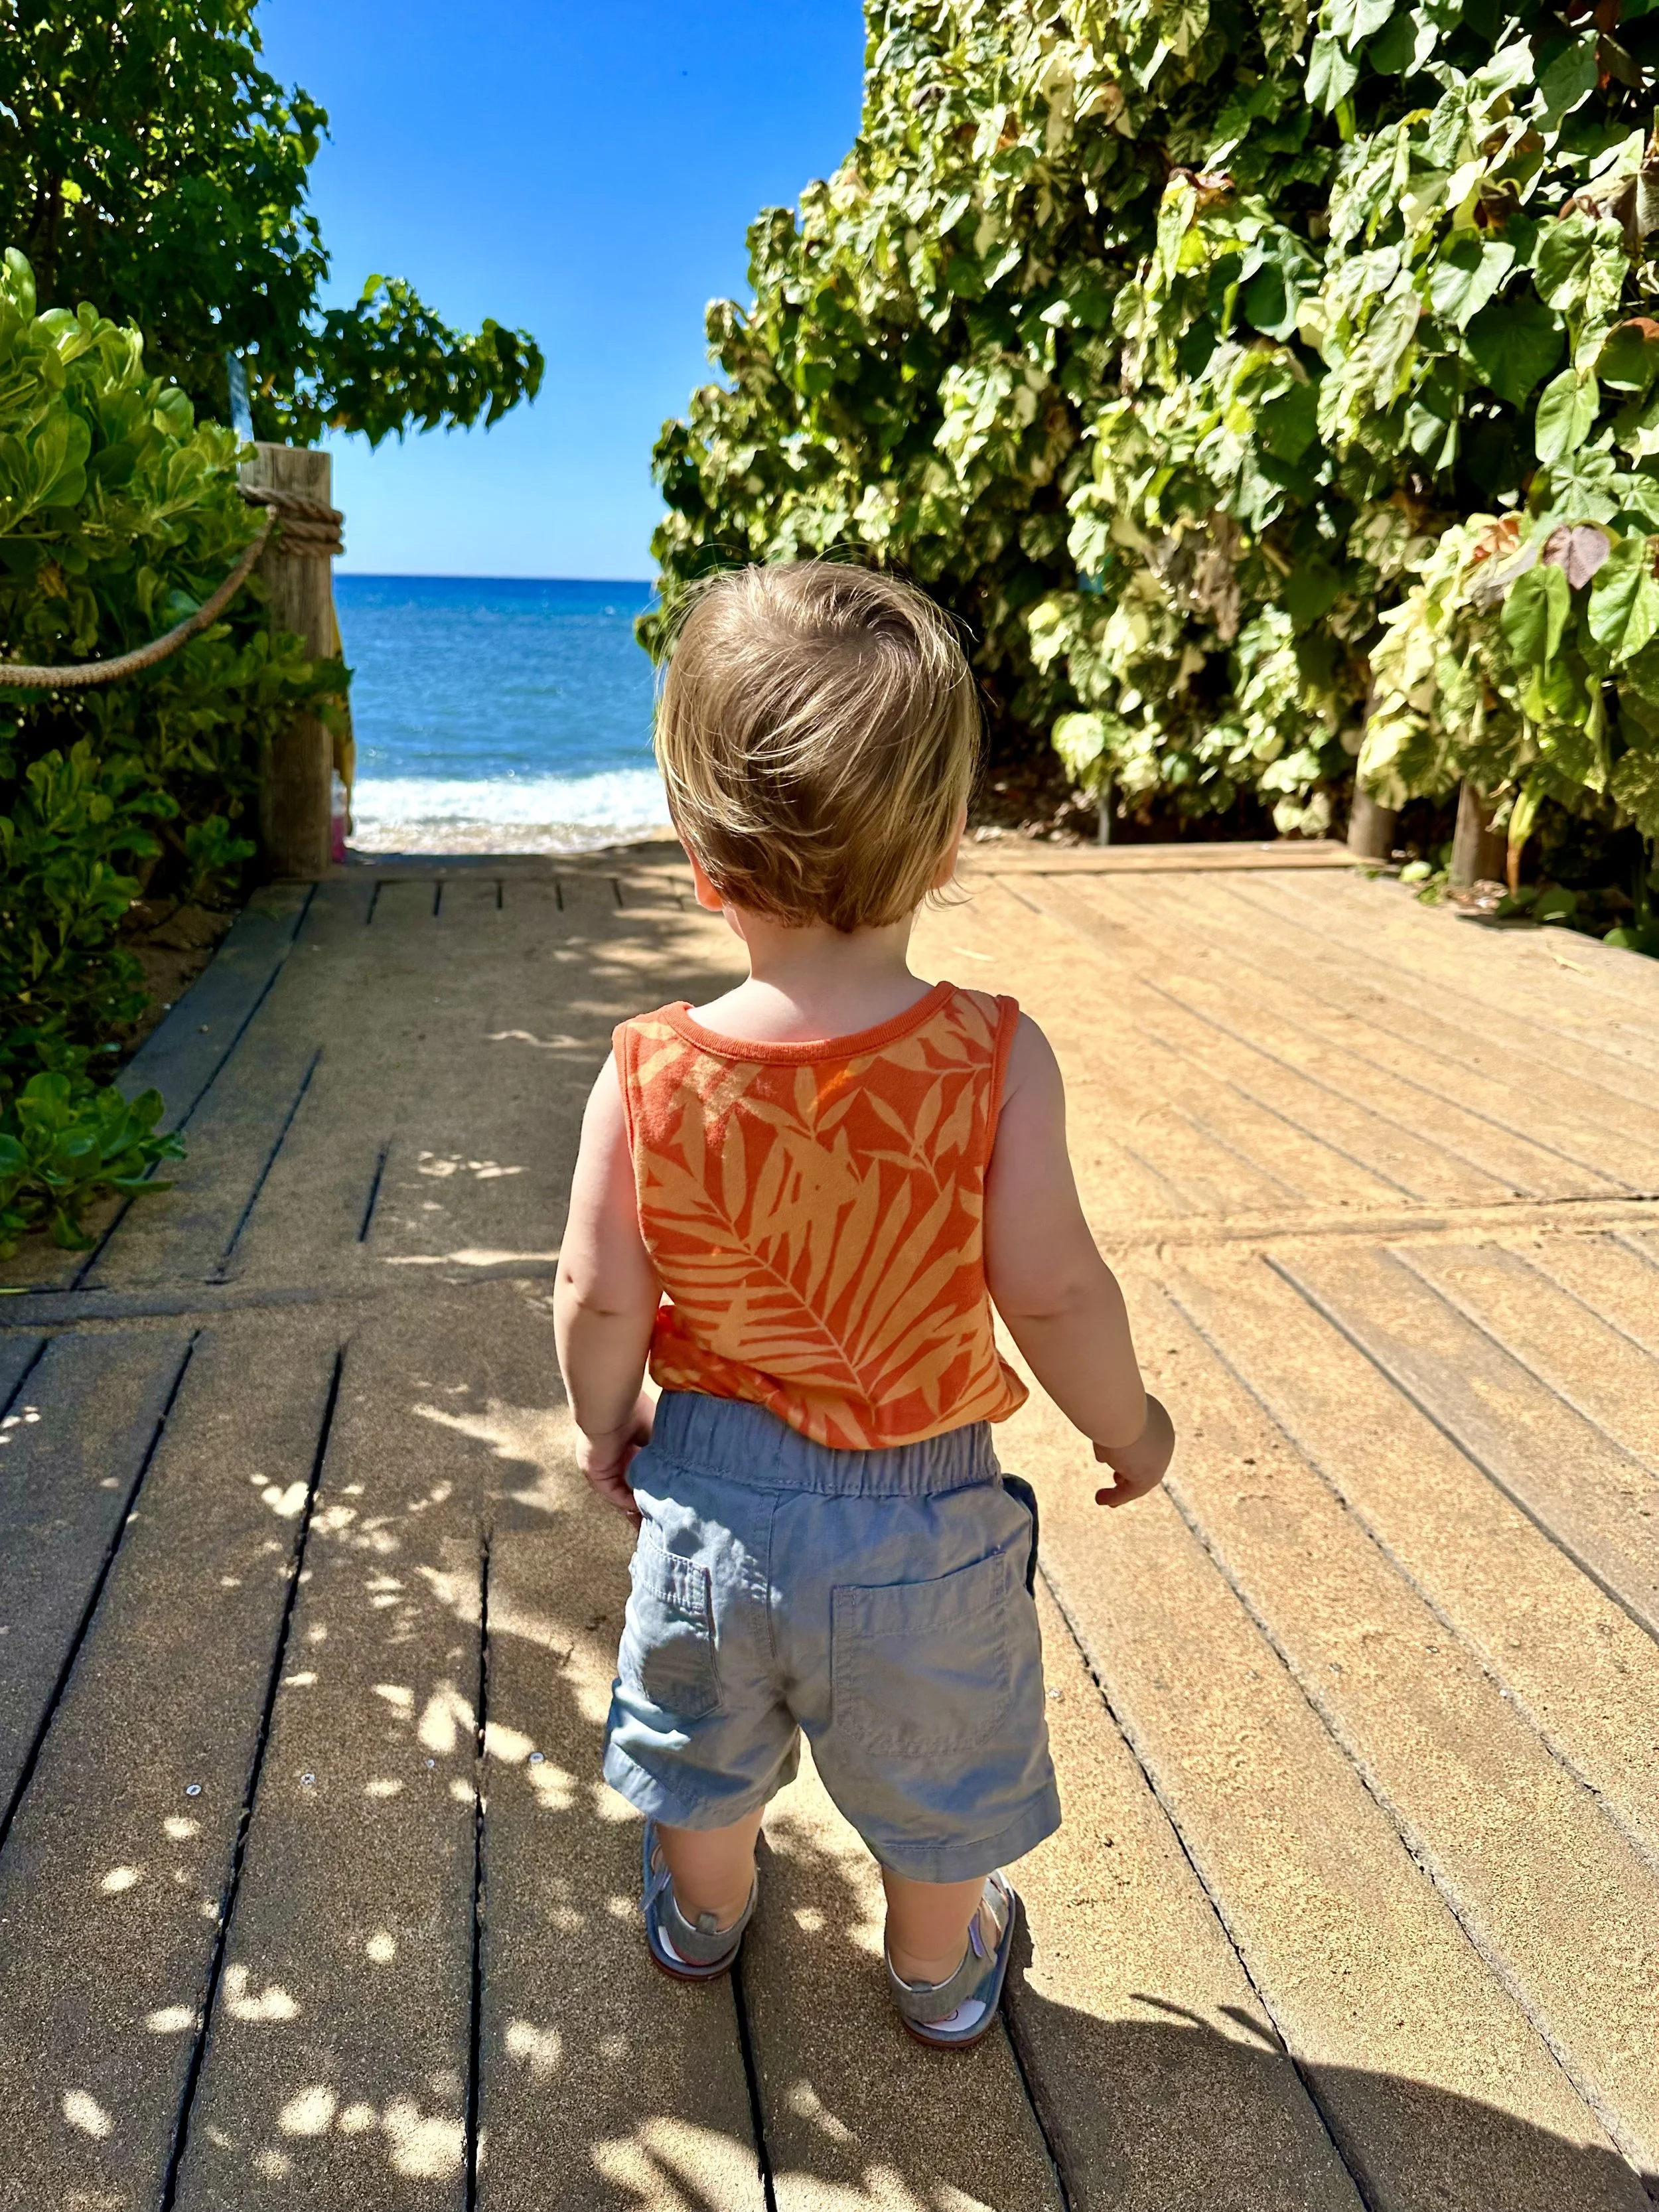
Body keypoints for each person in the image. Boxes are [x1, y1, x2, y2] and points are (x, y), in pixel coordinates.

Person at [553, 561, 1175, 2049]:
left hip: (709, 1499)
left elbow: (591, 1290)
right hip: (924, 1516)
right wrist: (1128, 1420)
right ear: (946, 844)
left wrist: (608, 1422)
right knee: (936, 1770)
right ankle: (933, 1970)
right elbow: (1056, 1285)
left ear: (699, 859)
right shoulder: (990, 1059)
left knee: (701, 1757)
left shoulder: (647, 1071)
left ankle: (703, 1915)